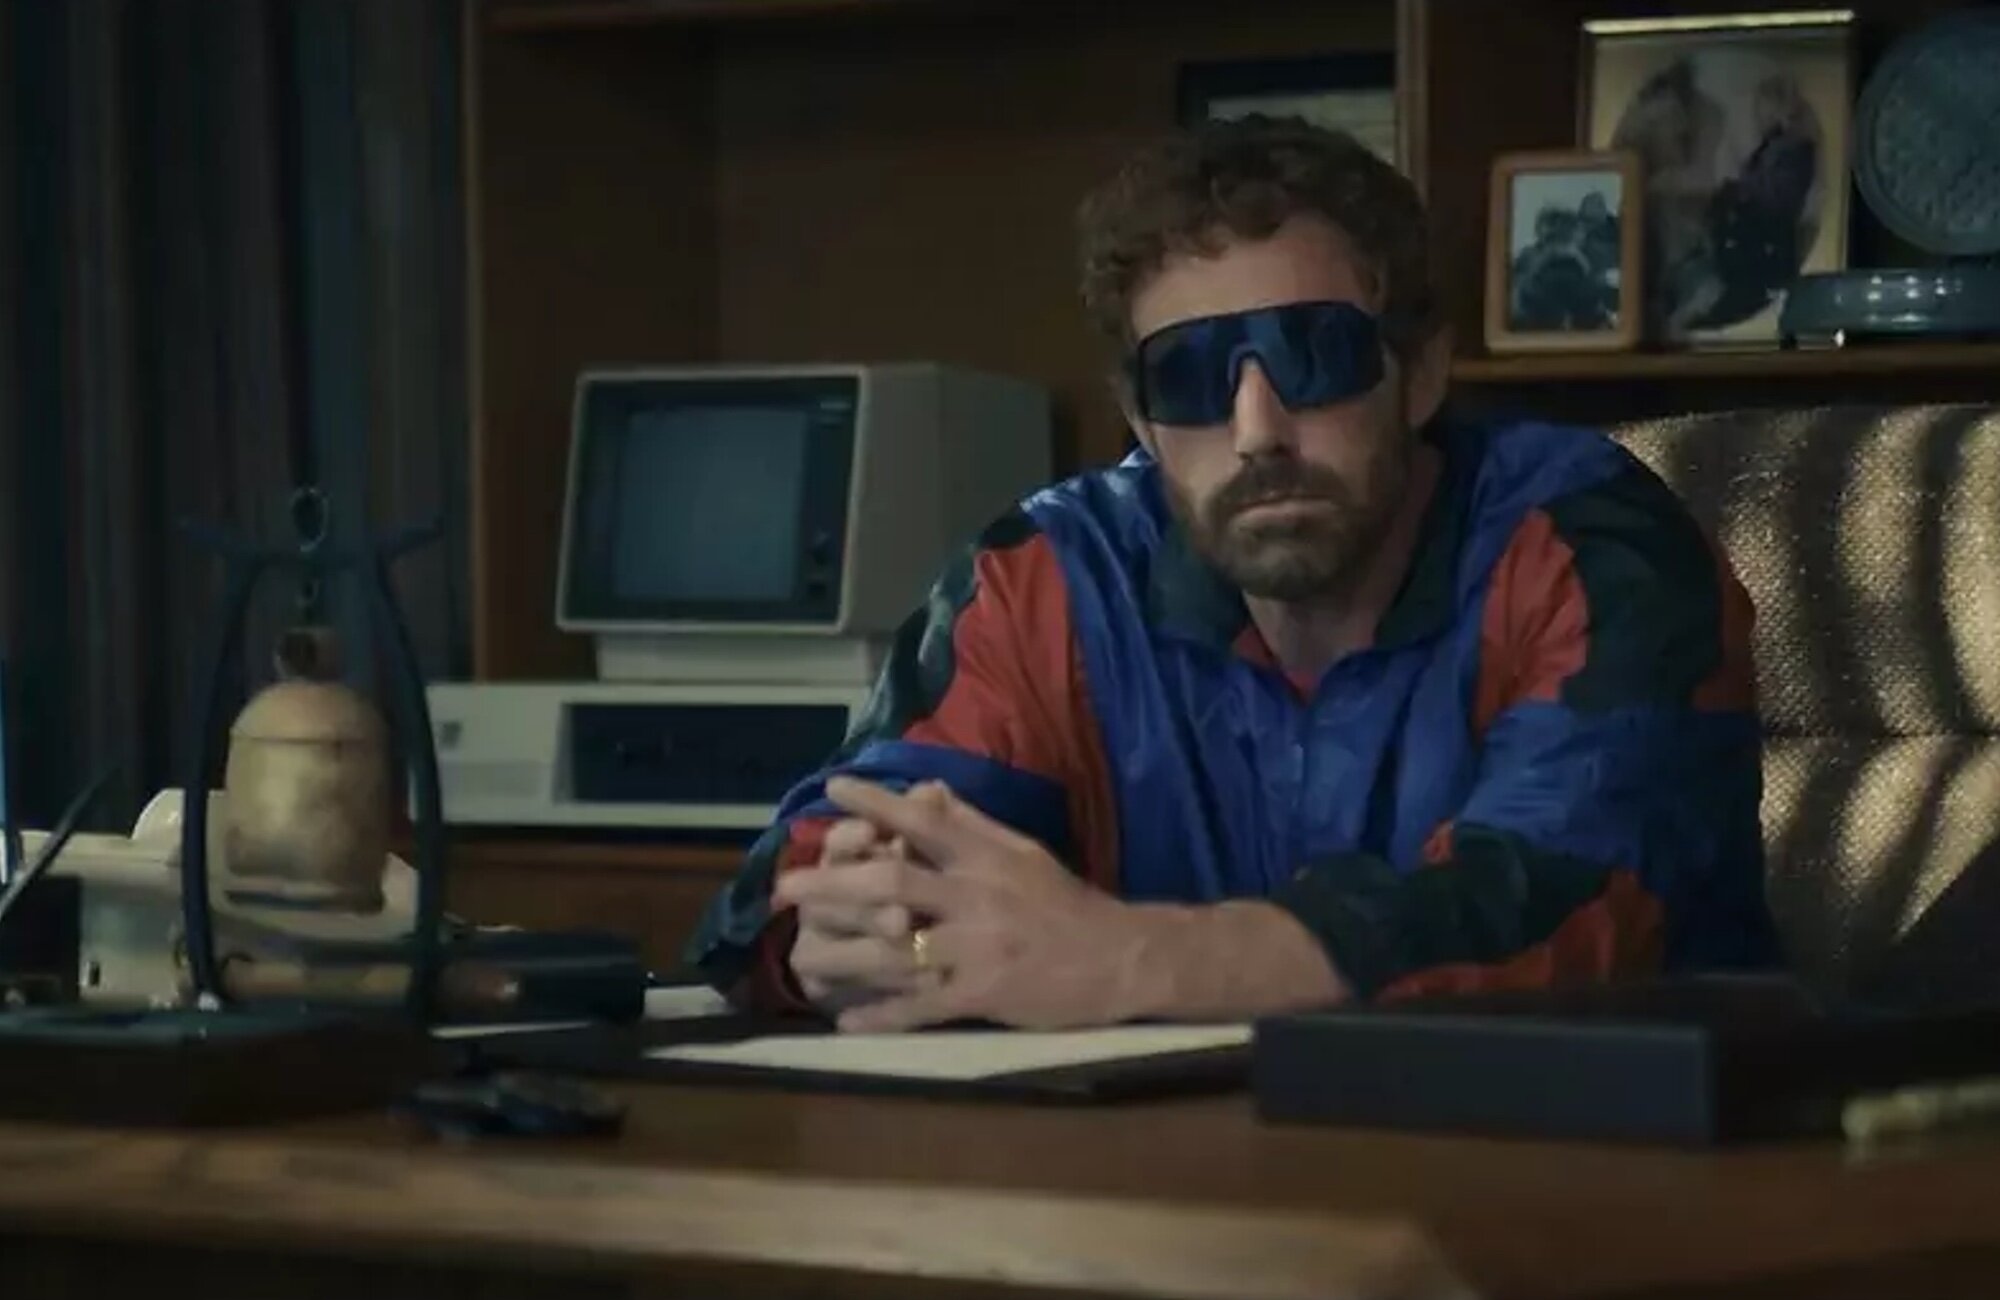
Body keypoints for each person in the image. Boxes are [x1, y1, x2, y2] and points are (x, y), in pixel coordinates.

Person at [687, 115, 1779, 1033]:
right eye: (1191, 374)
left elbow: (1559, 907)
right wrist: (840, 928)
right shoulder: (1050, 579)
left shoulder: (1589, 547)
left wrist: (1132, 959)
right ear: (1140, 419)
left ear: (1420, 372)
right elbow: (799, 879)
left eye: (1312, 354)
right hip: (1172, 1178)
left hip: (1606, 1172)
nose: (1257, 429)